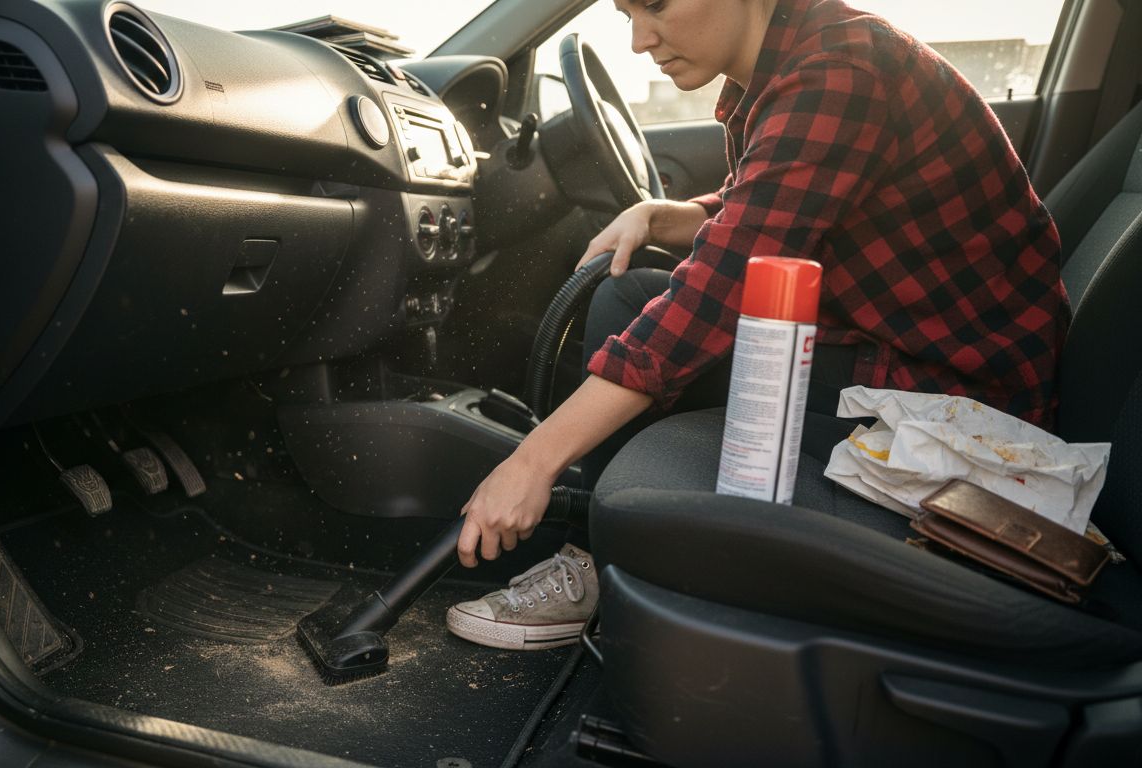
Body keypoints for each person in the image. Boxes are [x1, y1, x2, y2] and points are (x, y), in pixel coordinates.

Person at [445, 0, 1070, 651]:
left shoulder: (839, 68)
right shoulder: (793, 66)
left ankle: (595, 567)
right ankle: (599, 556)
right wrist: (662, 216)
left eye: (655, 6)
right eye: (626, 13)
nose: (638, 40)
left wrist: (533, 461)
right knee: (628, 295)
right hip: (897, 354)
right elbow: (771, 203)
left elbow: (715, 295)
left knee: (641, 313)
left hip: (952, 405)